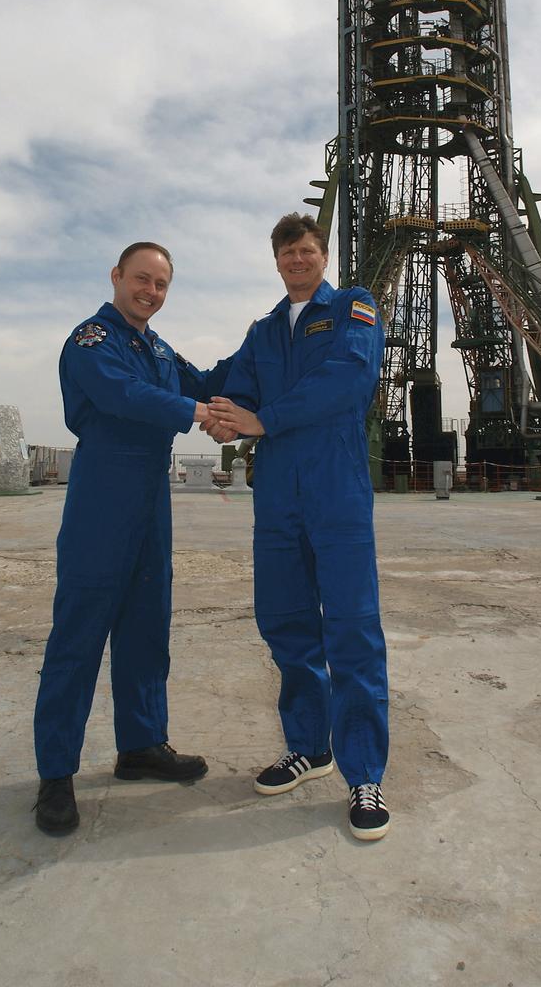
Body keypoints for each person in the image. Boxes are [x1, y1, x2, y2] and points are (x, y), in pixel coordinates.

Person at [33, 242, 231, 835]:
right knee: (80, 631)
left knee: (148, 625)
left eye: (161, 285)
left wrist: (267, 340)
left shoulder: (159, 348)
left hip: (151, 498)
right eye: (141, 279)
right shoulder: (91, 340)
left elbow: (208, 380)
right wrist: (199, 413)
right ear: (117, 276)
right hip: (103, 492)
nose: (150, 291)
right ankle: (55, 775)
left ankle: (141, 745)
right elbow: (124, 395)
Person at [204, 214, 390, 841]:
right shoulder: (262, 332)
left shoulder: (352, 311)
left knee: (352, 628)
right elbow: (229, 386)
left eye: (307, 251)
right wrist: (209, 408)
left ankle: (365, 775)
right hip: (278, 497)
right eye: (287, 254)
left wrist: (260, 421)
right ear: (276, 261)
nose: (297, 261)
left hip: (335, 490)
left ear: (323, 254)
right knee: (285, 624)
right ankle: (310, 748)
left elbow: (346, 381)